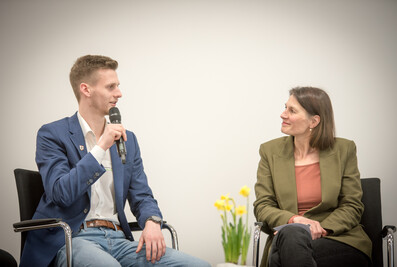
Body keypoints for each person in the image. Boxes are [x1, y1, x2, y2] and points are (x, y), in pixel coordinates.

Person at [20, 55, 211, 267]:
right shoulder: (52, 134)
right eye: (111, 87)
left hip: (119, 239)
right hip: (73, 239)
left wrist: (152, 221)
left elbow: (142, 195)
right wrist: (101, 147)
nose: (119, 93)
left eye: (117, 86)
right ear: (86, 89)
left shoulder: (127, 140)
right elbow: (61, 193)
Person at [253, 87, 372, 267]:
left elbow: (352, 205)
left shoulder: (344, 149)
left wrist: (319, 229)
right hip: (289, 237)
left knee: (282, 258)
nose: (282, 114)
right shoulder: (270, 151)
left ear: (314, 121)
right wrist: (295, 221)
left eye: (291, 110)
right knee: (292, 234)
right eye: (285, 107)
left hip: (337, 239)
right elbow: (263, 206)